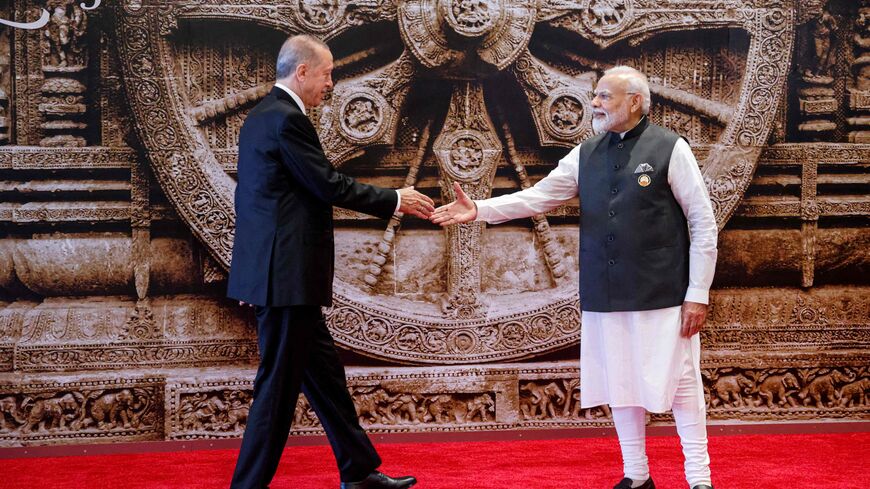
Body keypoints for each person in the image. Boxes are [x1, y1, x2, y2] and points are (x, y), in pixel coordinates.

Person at [431, 66, 718, 489]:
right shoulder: (585, 154)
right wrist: (479, 209)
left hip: (664, 291)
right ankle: (636, 476)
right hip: (604, 290)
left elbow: (703, 222)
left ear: (634, 101)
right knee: (619, 381)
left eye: (605, 97)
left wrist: (698, 293)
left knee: (681, 383)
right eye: (596, 96)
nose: (595, 105)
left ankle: (699, 479)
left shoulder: (670, 149)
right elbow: (539, 196)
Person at [227, 34, 432, 489]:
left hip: (281, 276)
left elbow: (257, 203)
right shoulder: (286, 120)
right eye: (327, 73)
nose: (331, 83)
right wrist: (394, 198)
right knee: (277, 391)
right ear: (302, 72)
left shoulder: (262, 117)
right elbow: (326, 184)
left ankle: (358, 471)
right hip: (286, 280)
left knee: (325, 379)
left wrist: (252, 274)